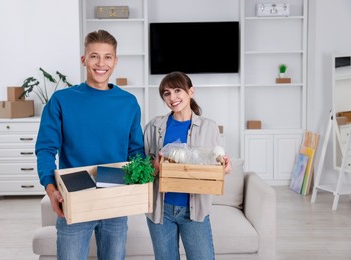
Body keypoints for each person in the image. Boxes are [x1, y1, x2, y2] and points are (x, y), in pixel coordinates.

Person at [35, 29, 144, 260]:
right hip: (75, 196)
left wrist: (141, 180)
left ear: (115, 61)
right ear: (84, 59)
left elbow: (136, 150)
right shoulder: (62, 100)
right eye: (94, 56)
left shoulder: (129, 103)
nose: (100, 63)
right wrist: (50, 188)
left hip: (116, 196)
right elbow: (46, 148)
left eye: (107, 56)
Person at [143, 71, 231, 260]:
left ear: (191, 91)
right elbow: (143, 165)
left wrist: (224, 166)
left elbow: (215, 160)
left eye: (177, 90)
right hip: (160, 210)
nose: (172, 98)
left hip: (195, 210)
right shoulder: (154, 126)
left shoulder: (209, 127)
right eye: (166, 93)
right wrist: (155, 166)